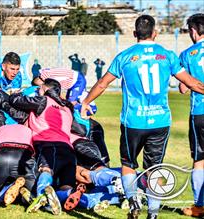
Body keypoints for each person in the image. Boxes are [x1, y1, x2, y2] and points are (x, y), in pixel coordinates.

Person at [81, 15, 204, 219]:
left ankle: (133, 202)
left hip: (133, 122)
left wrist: (86, 102)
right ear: (155, 33)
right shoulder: (167, 56)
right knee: (154, 168)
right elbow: (192, 84)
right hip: (160, 121)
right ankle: (153, 214)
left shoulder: (125, 56)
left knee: (129, 164)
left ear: (135, 33)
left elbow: (102, 83)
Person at [10, 79, 76, 215]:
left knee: (45, 169)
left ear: (45, 89)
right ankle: (73, 196)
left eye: (40, 88)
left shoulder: (43, 100)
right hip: (68, 150)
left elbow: (16, 101)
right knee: (66, 185)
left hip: (48, 144)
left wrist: (15, 93)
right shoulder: (68, 107)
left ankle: (42, 194)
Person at [178, 13, 204, 218]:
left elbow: (183, 88)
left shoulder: (188, 54)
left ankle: (200, 205)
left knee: (200, 159)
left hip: (200, 113)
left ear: (193, 31)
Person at [0, 124, 36, 213]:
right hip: (23, 155)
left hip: (1, 154)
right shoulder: (29, 130)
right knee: (34, 194)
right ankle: (22, 193)